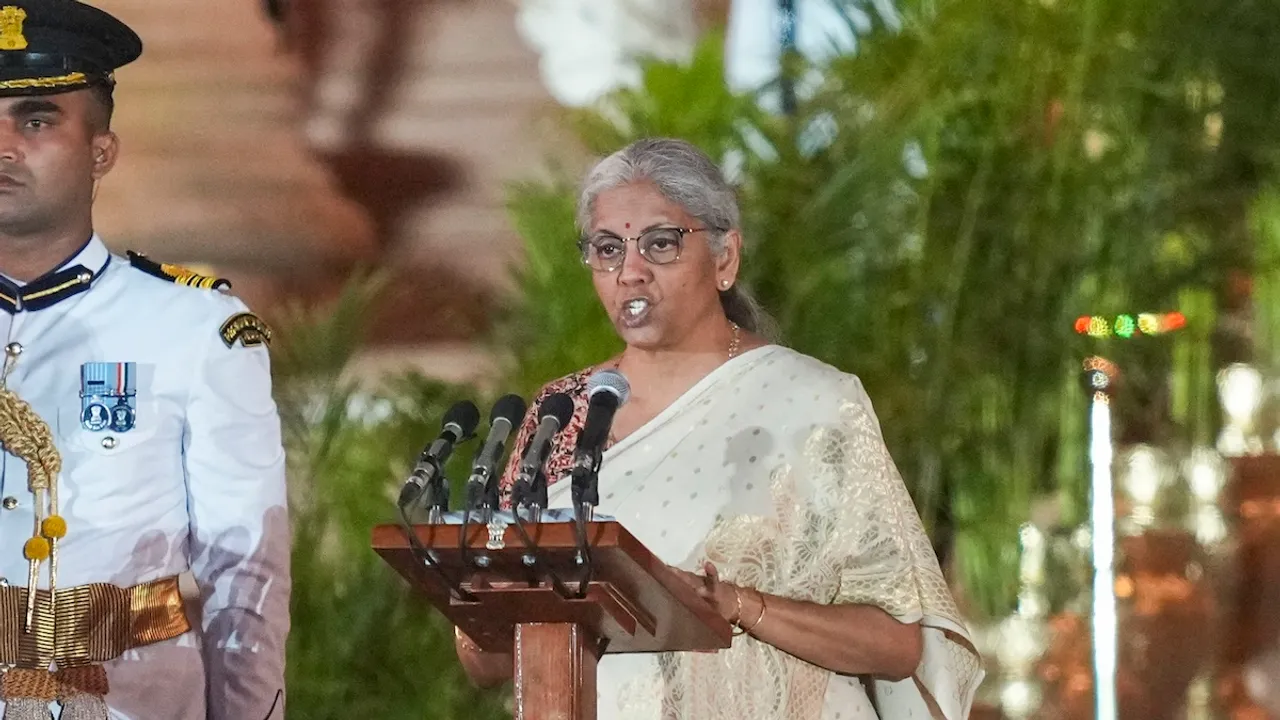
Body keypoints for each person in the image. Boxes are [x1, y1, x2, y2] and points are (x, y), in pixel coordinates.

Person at [456, 138, 983, 718]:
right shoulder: (559, 415)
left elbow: (896, 643)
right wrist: (475, 607)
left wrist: (737, 604)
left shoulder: (809, 401)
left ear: (725, 257)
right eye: (608, 249)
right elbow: (487, 662)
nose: (630, 272)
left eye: (659, 244)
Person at [0, 2, 289, 718]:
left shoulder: (192, 328)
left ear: (102, 152)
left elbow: (243, 572)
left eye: (36, 121)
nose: (3, 146)